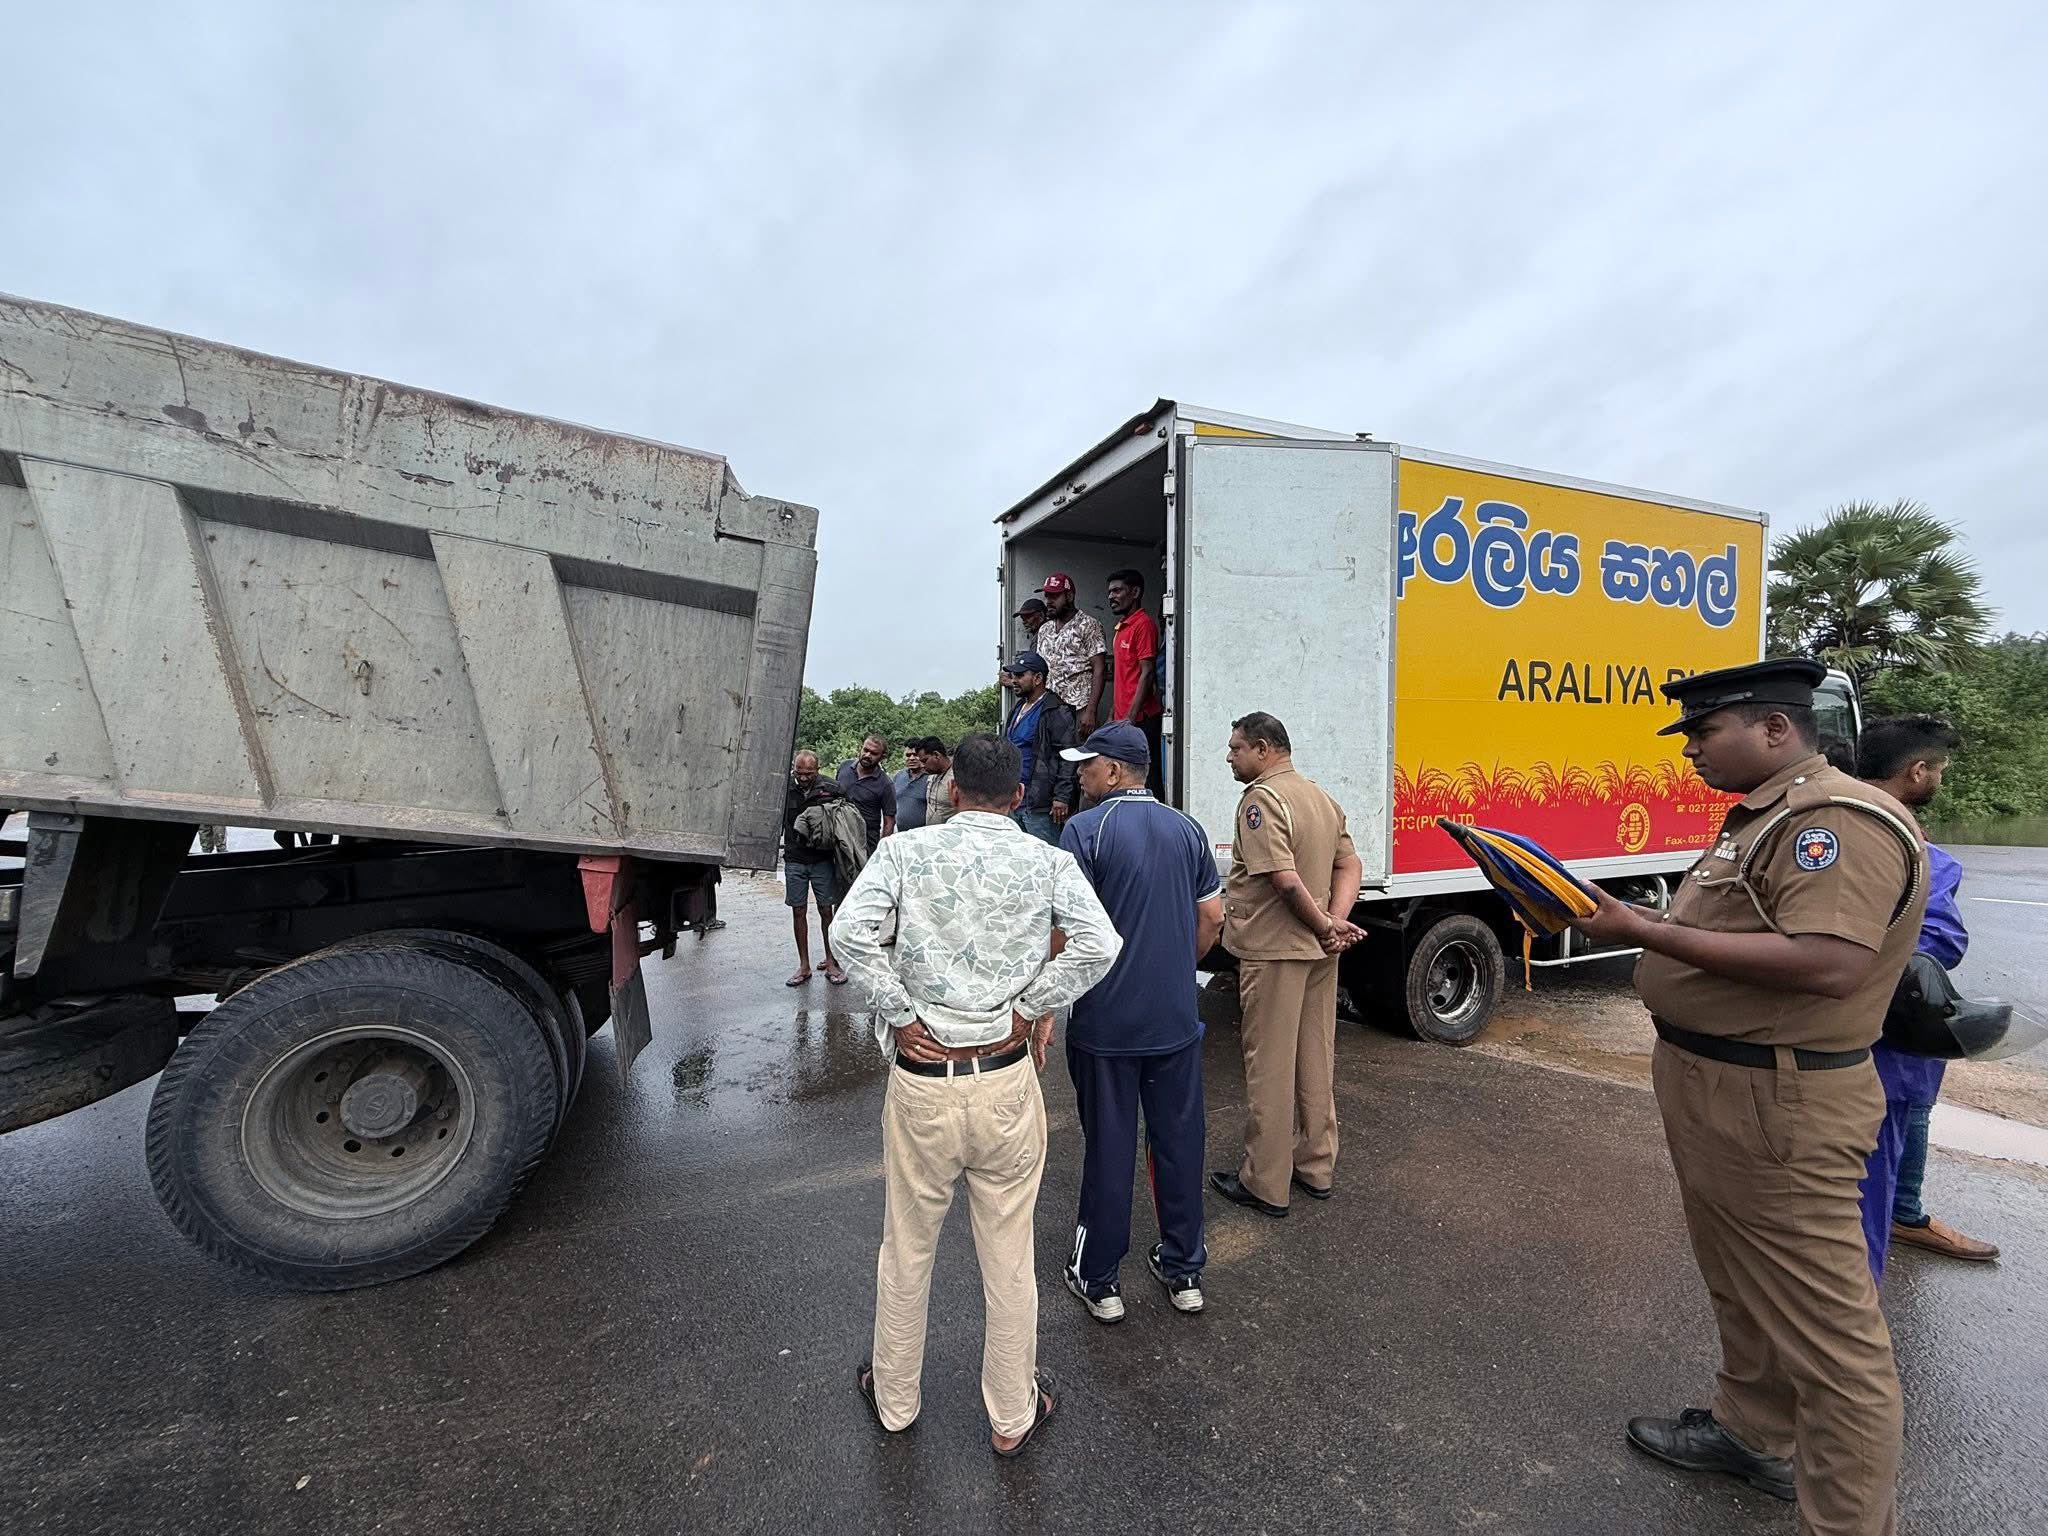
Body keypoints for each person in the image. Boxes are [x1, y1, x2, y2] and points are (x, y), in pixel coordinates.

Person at [1567, 659, 1930, 1534]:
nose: (1689, 749)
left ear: (1774, 728)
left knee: (1832, 1340)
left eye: (1704, 731)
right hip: (1723, 1085)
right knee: (1740, 1279)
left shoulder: (1833, 822)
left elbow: (1829, 962)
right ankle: (1751, 1433)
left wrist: (1641, 930)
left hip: (1779, 1099)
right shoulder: (1765, 817)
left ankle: (1847, 1522)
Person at [834, 732, 1122, 1456]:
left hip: (923, 1084)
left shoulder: (904, 853)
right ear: (1019, 796)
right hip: (1005, 1081)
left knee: (907, 1248)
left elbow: (849, 934)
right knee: (1009, 1255)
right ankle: (1011, 1415)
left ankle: (895, 1401)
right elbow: (1100, 943)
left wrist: (901, 1015)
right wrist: (1033, 1006)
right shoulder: (1047, 861)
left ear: (953, 790)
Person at [1056, 723, 1222, 1322]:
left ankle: (1099, 1279)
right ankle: (1184, 1271)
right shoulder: (1188, 828)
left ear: (1115, 770)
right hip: (1175, 1019)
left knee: (1110, 1145)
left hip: (1106, 1022)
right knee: (1178, 1141)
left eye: (1087, 764)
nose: (1080, 774)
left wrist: (1050, 997)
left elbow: (1067, 930)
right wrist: (1175, 969)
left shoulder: (1085, 830)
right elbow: (1212, 917)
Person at [1208, 712, 1364, 1219]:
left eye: (1235, 748)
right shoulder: (1319, 797)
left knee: (1270, 1068)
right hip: (1318, 953)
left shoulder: (1262, 801)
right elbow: (1349, 863)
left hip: (1275, 951)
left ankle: (1266, 1182)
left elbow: (1283, 879)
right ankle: (1316, 1166)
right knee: (1316, 1058)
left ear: (1262, 748)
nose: (1229, 757)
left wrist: (1324, 925)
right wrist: (1334, 921)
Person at [1856, 715, 1997, 1273]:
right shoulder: (1920, 855)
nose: (1939, 777)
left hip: (1804, 1041)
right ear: (1917, 772)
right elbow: (1939, 942)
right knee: (1870, 1177)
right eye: (1939, 769)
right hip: (1882, 1043)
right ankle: (1894, 1230)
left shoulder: (1810, 824)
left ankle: (1905, 1213)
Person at [782, 752, 847, 987]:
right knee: (798, 910)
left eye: (808, 773)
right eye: (799, 773)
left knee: (826, 910)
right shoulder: (784, 788)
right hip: (794, 859)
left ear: (817, 770)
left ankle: (831, 961)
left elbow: (846, 820)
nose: (803, 778)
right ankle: (804, 965)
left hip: (823, 860)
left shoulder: (832, 789)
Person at [1001, 652, 1078, 843]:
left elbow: (1067, 756)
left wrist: (1062, 796)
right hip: (1015, 802)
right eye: (1013, 676)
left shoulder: (1056, 710)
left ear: (1037, 678)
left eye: (1020, 676)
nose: (1014, 680)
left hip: (1041, 806)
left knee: (1045, 856)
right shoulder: (1017, 709)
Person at [1106, 568, 1166, 799]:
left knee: (1146, 780)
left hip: (1140, 721)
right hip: (1124, 720)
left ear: (1135, 592)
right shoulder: (1122, 627)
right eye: (1110, 592)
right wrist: (1113, 715)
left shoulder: (1143, 625)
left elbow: (1147, 673)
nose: (1111, 596)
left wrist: (1130, 719)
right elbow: (1123, 677)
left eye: (1117, 591)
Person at [1034, 573, 1108, 733]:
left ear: (1069, 596)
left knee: (1079, 749)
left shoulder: (1089, 625)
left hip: (1079, 709)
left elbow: (1100, 669)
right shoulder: (1044, 629)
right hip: (1048, 708)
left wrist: (1091, 711)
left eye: (1054, 596)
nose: (1049, 602)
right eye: (1047, 596)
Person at [836, 733, 897, 850]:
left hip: (865, 841)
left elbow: (889, 821)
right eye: (866, 750)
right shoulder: (844, 767)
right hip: (839, 834)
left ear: (882, 757)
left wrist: (881, 850)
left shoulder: (885, 784)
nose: (867, 755)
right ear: (861, 748)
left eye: (874, 753)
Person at [893, 739, 932, 834]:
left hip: (924, 835)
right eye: (908, 755)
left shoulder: (931, 778)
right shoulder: (899, 776)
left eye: (915, 755)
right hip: (900, 834)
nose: (911, 758)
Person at [922, 739, 957, 828]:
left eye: (925, 761)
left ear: (936, 755)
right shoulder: (932, 775)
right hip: (931, 832)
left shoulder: (957, 777)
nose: (922, 765)